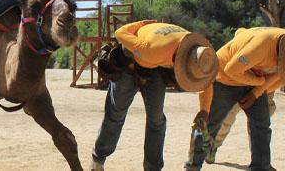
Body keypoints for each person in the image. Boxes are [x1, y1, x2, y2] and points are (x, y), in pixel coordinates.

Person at [184, 27, 285, 171]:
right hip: (224, 78)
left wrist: (256, 92)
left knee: (262, 125)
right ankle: (192, 166)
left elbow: (280, 73)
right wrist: (259, 83)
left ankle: (261, 166)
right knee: (208, 124)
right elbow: (231, 69)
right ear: (284, 54)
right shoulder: (261, 46)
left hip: (252, 80)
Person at [90, 20, 218, 171]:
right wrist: (142, 23)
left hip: (157, 67)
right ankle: (98, 158)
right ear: (179, 62)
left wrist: (204, 110)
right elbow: (120, 33)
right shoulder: (151, 49)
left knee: (156, 120)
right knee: (116, 113)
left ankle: (153, 168)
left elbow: (206, 82)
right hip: (129, 64)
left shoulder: (202, 54)